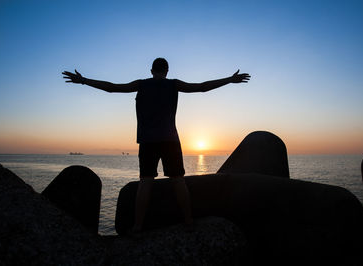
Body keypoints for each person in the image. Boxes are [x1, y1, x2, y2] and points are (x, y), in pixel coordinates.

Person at [62, 58, 250, 233]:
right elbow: (201, 87)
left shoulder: (141, 84)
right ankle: (188, 221)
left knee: (145, 182)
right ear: (167, 71)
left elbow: (112, 88)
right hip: (170, 140)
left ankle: (137, 227)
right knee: (178, 180)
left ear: (152, 70)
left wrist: (84, 80)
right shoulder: (173, 84)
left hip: (147, 141)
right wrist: (230, 79)